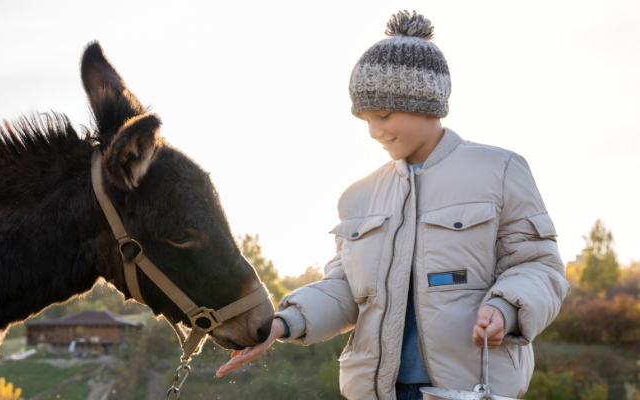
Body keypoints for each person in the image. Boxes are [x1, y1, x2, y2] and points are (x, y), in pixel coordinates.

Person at [216, 10, 569, 400]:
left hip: (469, 391)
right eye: (365, 119)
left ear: (427, 103)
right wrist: (282, 324)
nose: (374, 132)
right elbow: (343, 290)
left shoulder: (500, 170)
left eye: (383, 115)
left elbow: (539, 267)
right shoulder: (358, 196)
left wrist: (506, 307)